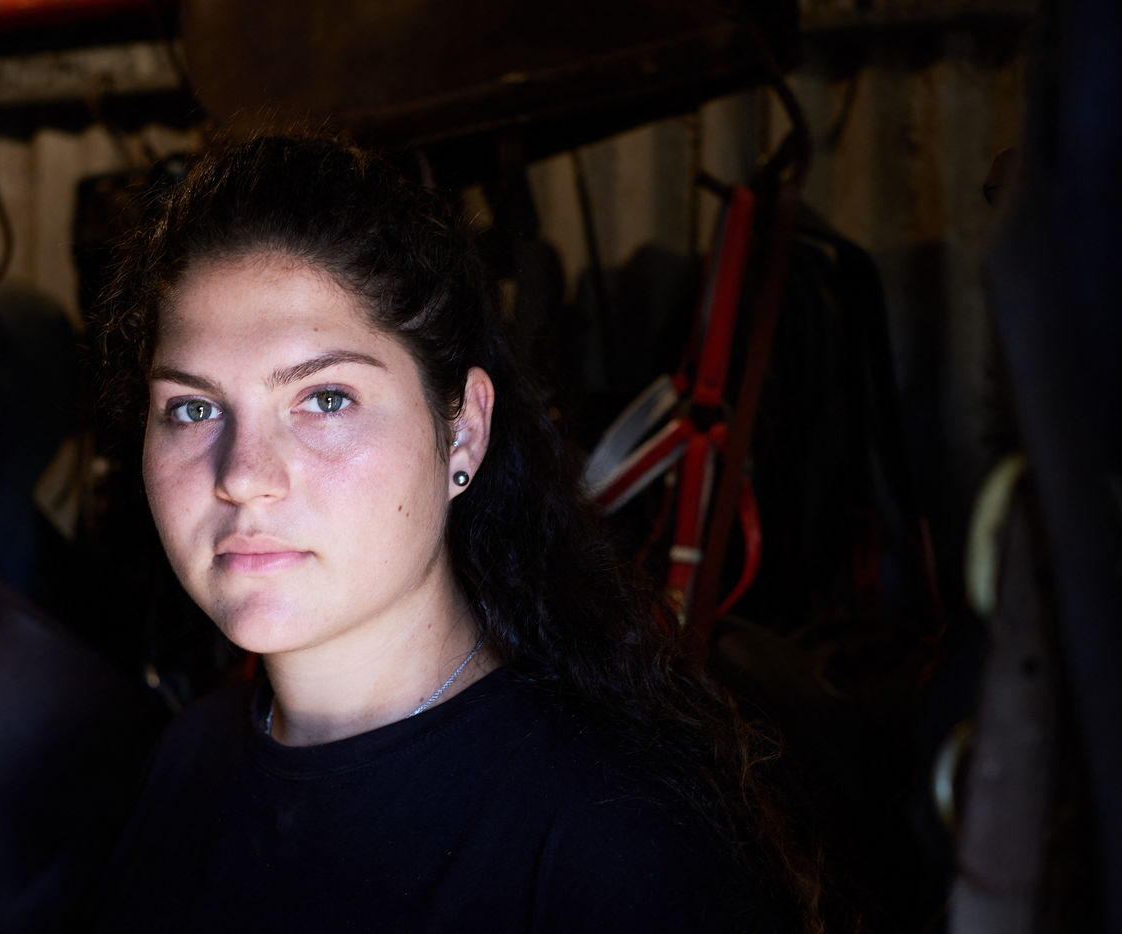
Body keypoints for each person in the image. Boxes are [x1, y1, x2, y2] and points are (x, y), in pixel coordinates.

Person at [90, 134, 820, 933]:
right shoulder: (186, 763)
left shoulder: (614, 846)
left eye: (326, 399)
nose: (243, 474)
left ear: (463, 432)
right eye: (193, 409)